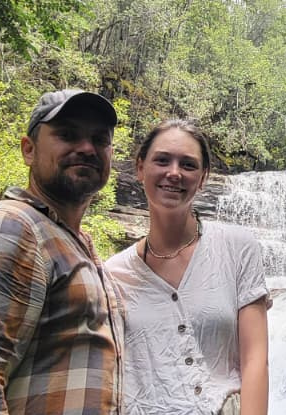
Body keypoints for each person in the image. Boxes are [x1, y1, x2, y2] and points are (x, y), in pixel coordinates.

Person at [0, 89, 124, 414]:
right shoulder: (8, 226)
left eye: (99, 140)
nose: (87, 148)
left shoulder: (71, 243)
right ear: (28, 150)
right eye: (67, 135)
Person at [105, 119, 270, 415]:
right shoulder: (112, 274)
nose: (174, 173)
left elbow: (255, 360)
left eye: (188, 165)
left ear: (203, 177)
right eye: (162, 160)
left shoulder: (238, 246)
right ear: (140, 168)